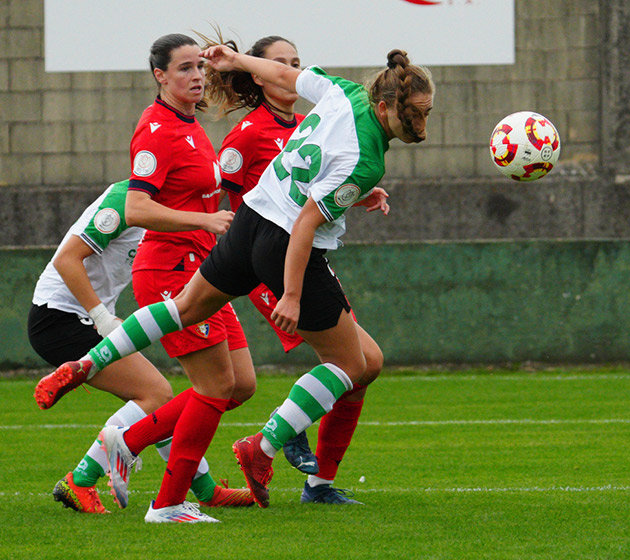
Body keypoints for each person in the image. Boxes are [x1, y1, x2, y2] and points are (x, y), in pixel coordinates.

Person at [38, 44, 432, 512]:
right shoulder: (364, 156)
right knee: (352, 365)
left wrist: (239, 61)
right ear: (385, 106)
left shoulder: (344, 93)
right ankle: (258, 451)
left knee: (212, 347)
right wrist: (289, 293)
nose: (422, 127)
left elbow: (287, 80)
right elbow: (305, 219)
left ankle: (91, 365)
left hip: (250, 223)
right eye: (415, 115)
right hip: (275, 245)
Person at [35, 33, 259, 523]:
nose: (197, 76)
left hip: (201, 269)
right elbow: (135, 209)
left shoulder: (191, 125)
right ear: (159, 75)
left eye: (200, 66)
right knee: (193, 389)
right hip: (139, 283)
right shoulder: (155, 133)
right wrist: (102, 318)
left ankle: (172, 472)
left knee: (238, 385)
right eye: (184, 68)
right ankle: (156, 489)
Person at [210, 34, 383, 504]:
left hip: (302, 258)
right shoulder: (247, 134)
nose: (288, 72)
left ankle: (310, 466)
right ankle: (283, 440)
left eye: (295, 63)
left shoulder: (314, 122)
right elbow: (229, 206)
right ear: (259, 77)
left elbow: (316, 190)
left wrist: (362, 193)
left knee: (364, 365)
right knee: (349, 363)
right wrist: (259, 278)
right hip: (269, 263)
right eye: (277, 65)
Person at [29, 181, 252, 513]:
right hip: (60, 318)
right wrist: (103, 318)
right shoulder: (126, 201)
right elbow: (67, 259)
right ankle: (82, 478)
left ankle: (204, 488)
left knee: (159, 401)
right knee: (157, 394)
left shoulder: (165, 209)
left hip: (80, 317)